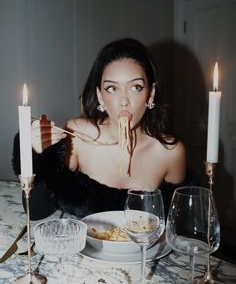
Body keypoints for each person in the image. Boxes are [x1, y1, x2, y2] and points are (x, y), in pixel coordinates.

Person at [12, 38, 187, 220]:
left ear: (150, 94)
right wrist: (36, 155)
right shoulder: (78, 135)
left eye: (136, 87)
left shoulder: (171, 152)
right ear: (100, 97)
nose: (123, 101)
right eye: (111, 88)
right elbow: (37, 210)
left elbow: (178, 223)